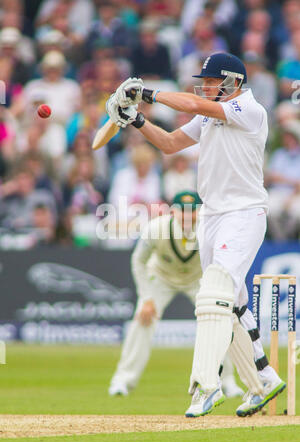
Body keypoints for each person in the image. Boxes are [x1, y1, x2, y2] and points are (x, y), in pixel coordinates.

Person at [105, 52, 286, 417]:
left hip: (244, 212)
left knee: (214, 290)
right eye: (202, 80)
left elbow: (190, 102)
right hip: (212, 215)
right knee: (232, 304)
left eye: (211, 80)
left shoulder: (250, 111)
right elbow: (171, 143)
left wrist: (147, 93)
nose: (204, 86)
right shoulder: (208, 116)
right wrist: (136, 119)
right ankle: (263, 379)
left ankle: (206, 384)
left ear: (233, 82)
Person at [109, 191, 245, 399]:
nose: (187, 217)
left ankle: (227, 381)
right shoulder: (157, 228)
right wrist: (146, 298)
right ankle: (122, 380)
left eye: (192, 212)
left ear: (200, 212)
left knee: (218, 320)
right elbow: (138, 261)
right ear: (173, 212)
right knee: (143, 319)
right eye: (182, 211)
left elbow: (223, 261)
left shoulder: (209, 231)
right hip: (161, 277)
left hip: (198, 279)